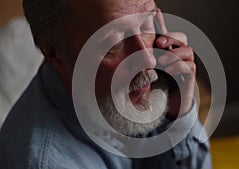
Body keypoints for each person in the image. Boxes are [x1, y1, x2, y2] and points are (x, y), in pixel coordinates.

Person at [0, 0, 212, 168]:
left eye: (146, 23)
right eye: (114, 42)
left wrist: (177, 117)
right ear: (54, 53)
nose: (148, 59)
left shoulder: (121, 93)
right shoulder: (44, 162)